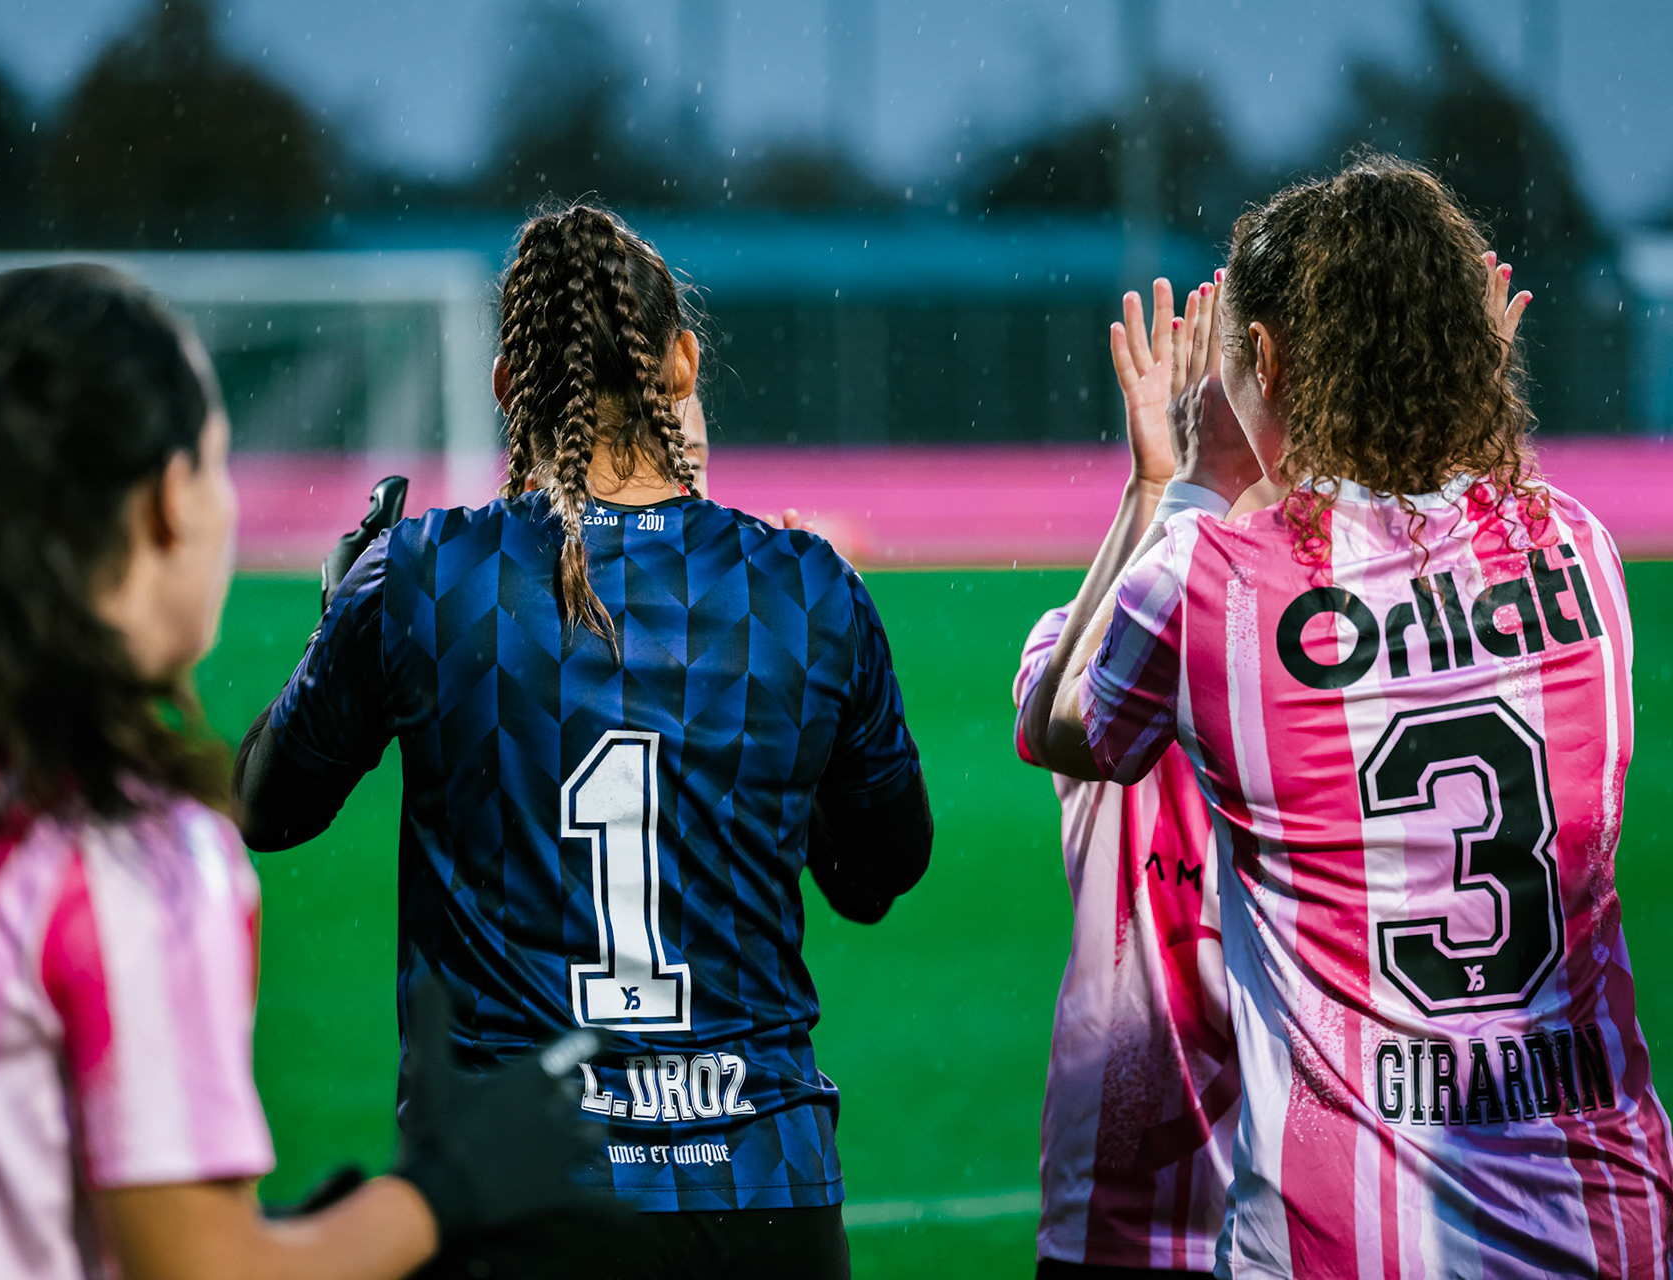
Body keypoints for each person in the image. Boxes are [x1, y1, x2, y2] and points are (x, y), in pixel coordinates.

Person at [0, 264, 597, 1280]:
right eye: (218, 463)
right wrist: (446, 1188)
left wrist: (314, 1230)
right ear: (166, 503)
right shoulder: (135, 853)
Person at [234, 201, 933, 1280]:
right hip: (756, 1189)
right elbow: (882, 871)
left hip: (511, 1191)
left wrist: (337, 620)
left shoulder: (425, 577)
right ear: (685, 363)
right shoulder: (806, 586)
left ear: (509, 380)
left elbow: (266, 807)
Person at [1026, 154, 1673, 1277]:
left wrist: (1178, 485)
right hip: (1600, 1218)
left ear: (1266, 358)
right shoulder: (1580, 546)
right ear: (1477, 346)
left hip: (1341, 1239)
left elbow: (1063, 725)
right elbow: (1457, 525)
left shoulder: (1213, 576)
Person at [1012, 280, 1253, 1280]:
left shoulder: (1303, 658)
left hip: (1289, 1209)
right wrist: (1157, 486)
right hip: (1124, 1214)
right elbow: (1057, 718)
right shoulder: (1079, 650)